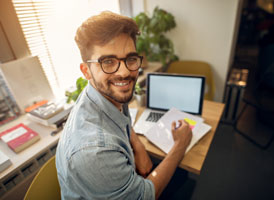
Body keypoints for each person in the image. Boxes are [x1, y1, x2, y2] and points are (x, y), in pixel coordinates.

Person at [55, 11, 192, 200]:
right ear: (86, 71)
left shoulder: (104, 95)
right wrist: (180, 144)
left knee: (182, 177)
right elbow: (146, 195)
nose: (125, 72)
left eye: (130, 59)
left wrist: (139, 147)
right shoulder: (94, 152)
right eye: (108, 62)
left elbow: (121, 119)